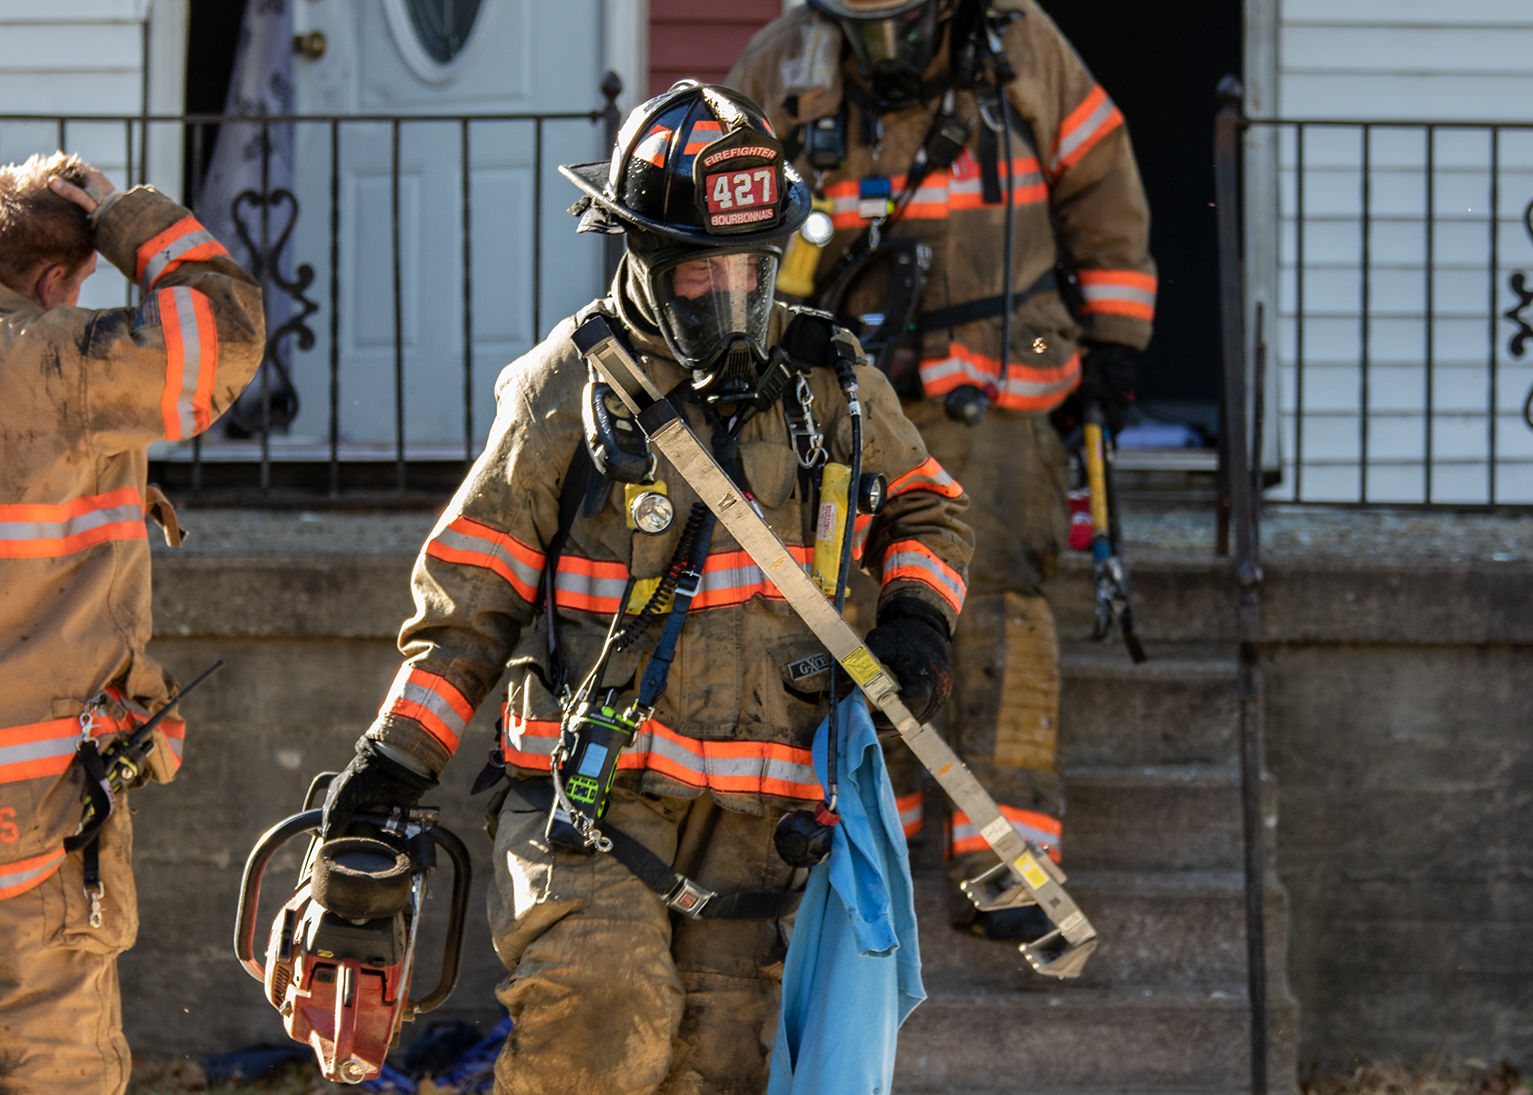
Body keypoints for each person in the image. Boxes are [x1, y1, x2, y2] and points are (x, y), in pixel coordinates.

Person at [314, 82, 972, 1095]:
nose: (727, 291)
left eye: (750, 267)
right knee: (600, 1016)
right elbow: (468, 601)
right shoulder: (562, 391)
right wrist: (393, 766)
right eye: (696, 268)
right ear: (637, 254)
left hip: (759, 830)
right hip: (590, 808)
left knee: (716, 1070)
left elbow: (928, 506)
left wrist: (919, 624)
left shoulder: (832, 381)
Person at [728, 0, 1156, 940]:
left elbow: (1102, 186)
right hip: (840, 398)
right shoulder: (781, 63)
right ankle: (872, 831)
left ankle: (1009, 850)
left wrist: (1116, 343)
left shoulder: (1021, 45)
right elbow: (717, 213)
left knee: (997, 598)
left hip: (1001, 387)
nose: (888, 47)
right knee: (843, 609)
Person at [0, 153, 264, 1093]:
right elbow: (224, 332)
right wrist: (127, 216)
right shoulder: (52, 358)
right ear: (53, 283)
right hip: (26, 836)